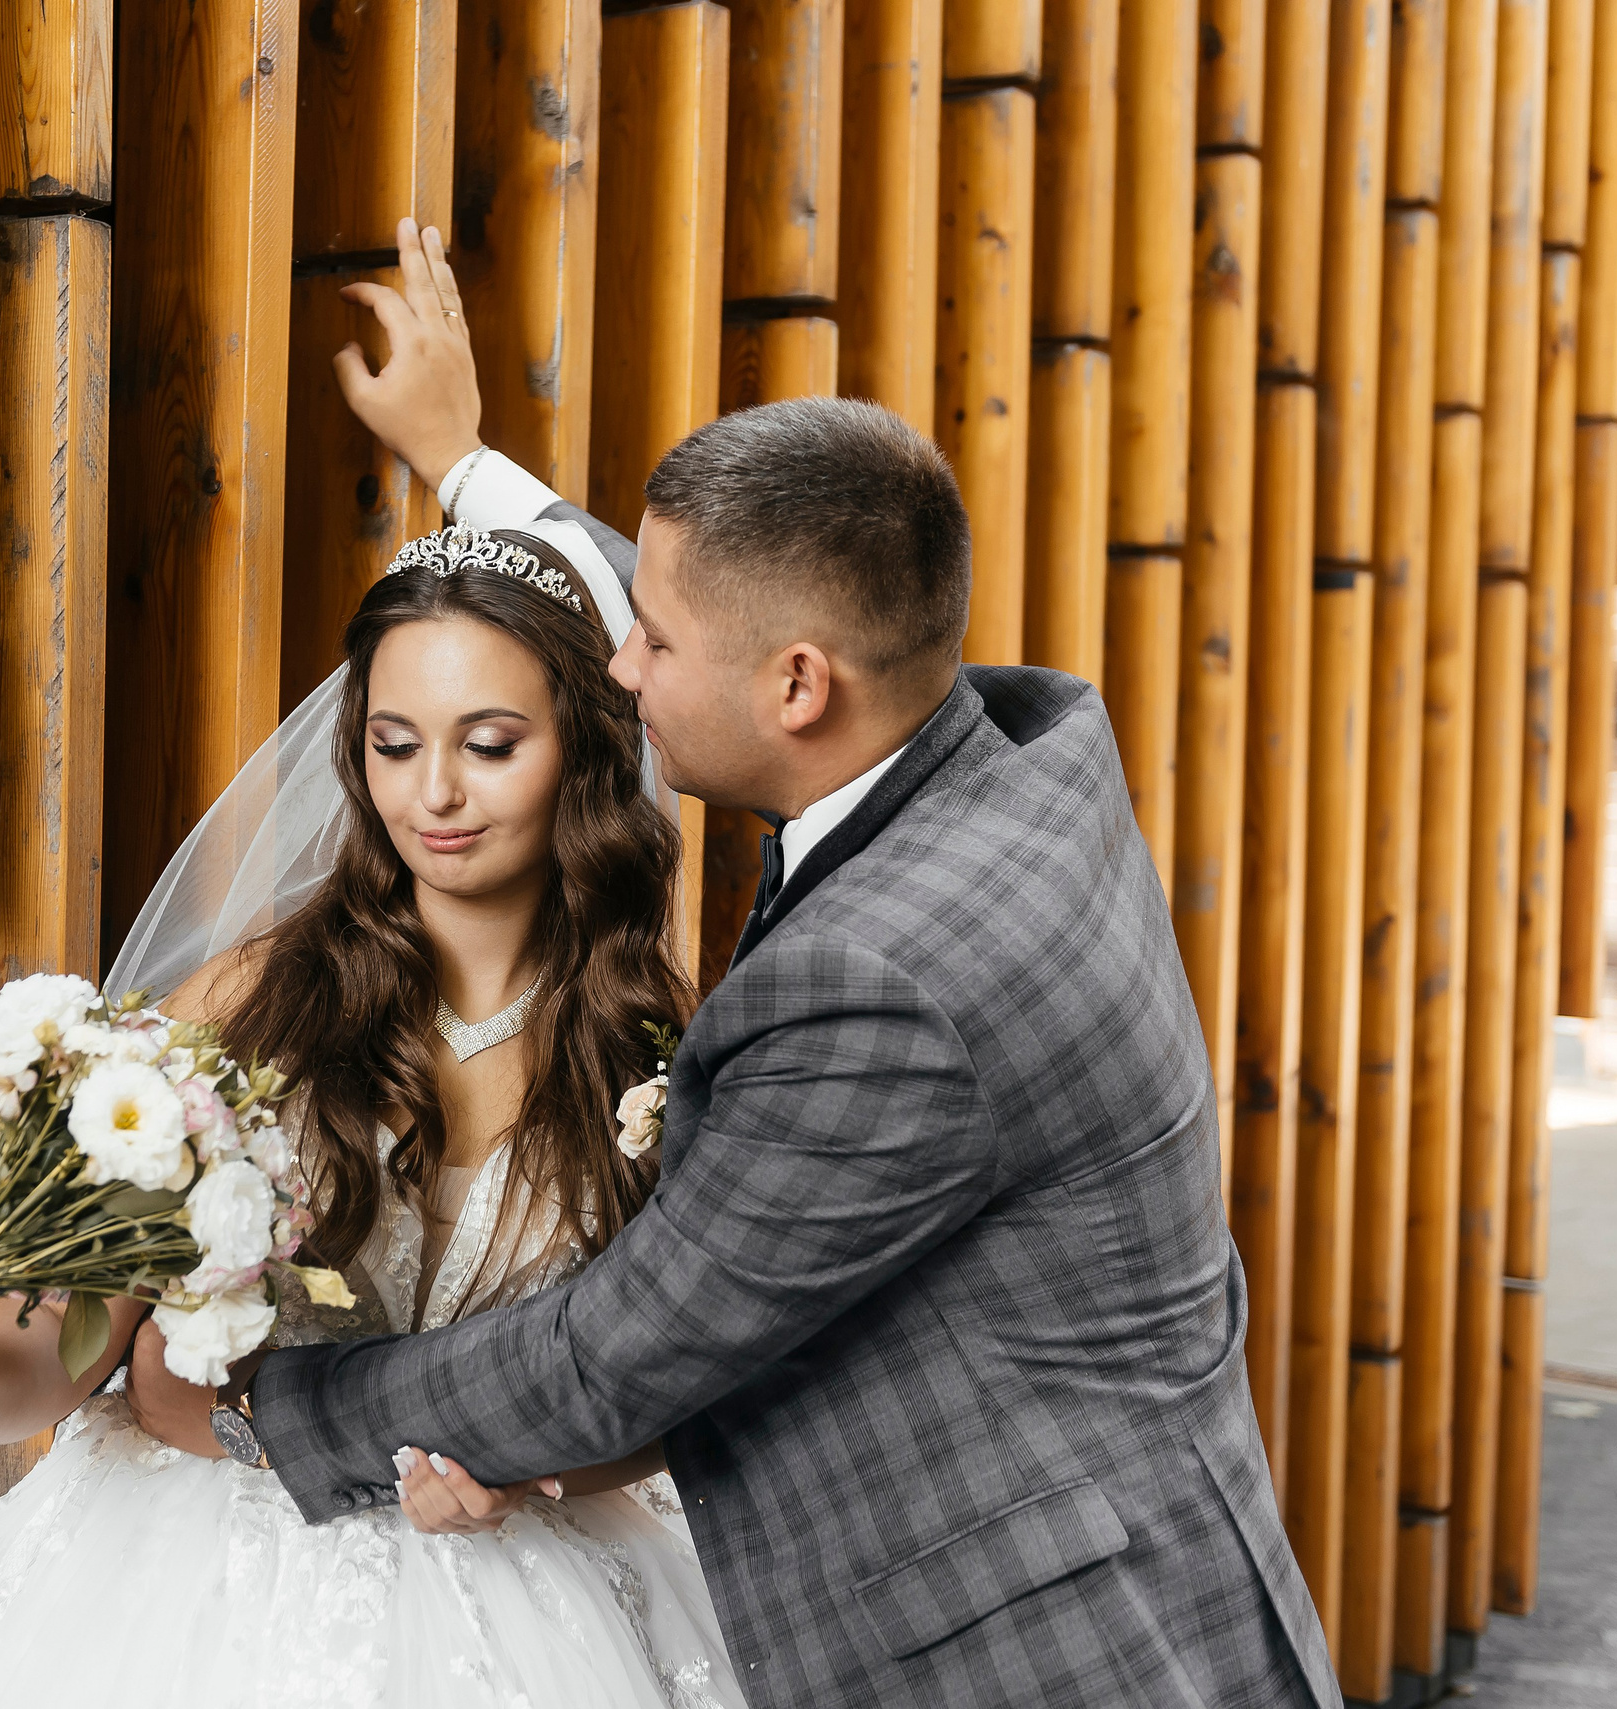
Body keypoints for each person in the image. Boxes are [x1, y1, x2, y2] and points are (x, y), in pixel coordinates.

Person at [125, 220, 1344, 1706]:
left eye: (648, 645)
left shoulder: (884, 983)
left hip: (1043, 1653)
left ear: (796, 686)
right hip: (1148, 1547)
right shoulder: (1005, 745)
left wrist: (262, 1409)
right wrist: (464, 460)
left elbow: (611, 1361)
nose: (623, 671)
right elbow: (694, 602)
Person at [0, 458, 749, 1698]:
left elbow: (678, 1374)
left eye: (490, 743)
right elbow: (83, 1338)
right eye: (396, 743)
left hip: (530, 1583)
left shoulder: (657, 1049)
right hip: (188, 1583)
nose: (436, 794)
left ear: (581, 749)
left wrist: (542, 1468)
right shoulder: (250, 1005)